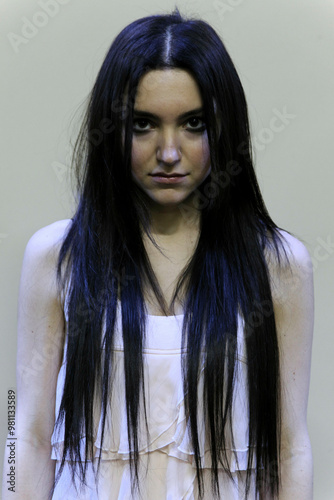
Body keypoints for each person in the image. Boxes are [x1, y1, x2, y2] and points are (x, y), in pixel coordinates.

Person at [2, 8, 314, 500]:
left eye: (193, 124)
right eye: (143, 124)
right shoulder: (57, 257)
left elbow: (290, 448)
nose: (169, 152)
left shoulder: (279, 265)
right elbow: (25, 432)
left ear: (224, 128)